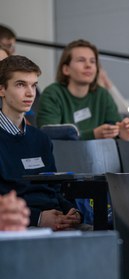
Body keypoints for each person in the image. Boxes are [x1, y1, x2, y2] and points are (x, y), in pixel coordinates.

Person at [0, 55, 82, 230]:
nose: (30, 93)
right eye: (21, 84)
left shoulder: (41, 139)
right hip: (19, 227)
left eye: (34, 85)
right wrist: (37, 218)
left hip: (57, 222)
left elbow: (55, 189)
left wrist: (72, 212)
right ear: (1, 89)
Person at [37, 39, 129, 140]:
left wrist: (124, 136)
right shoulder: (52, 93)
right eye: (81, 60)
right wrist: (93, 135)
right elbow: (48, 136)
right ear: (66, 69)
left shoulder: (102, 94)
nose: (88, 65)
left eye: (92, 61)